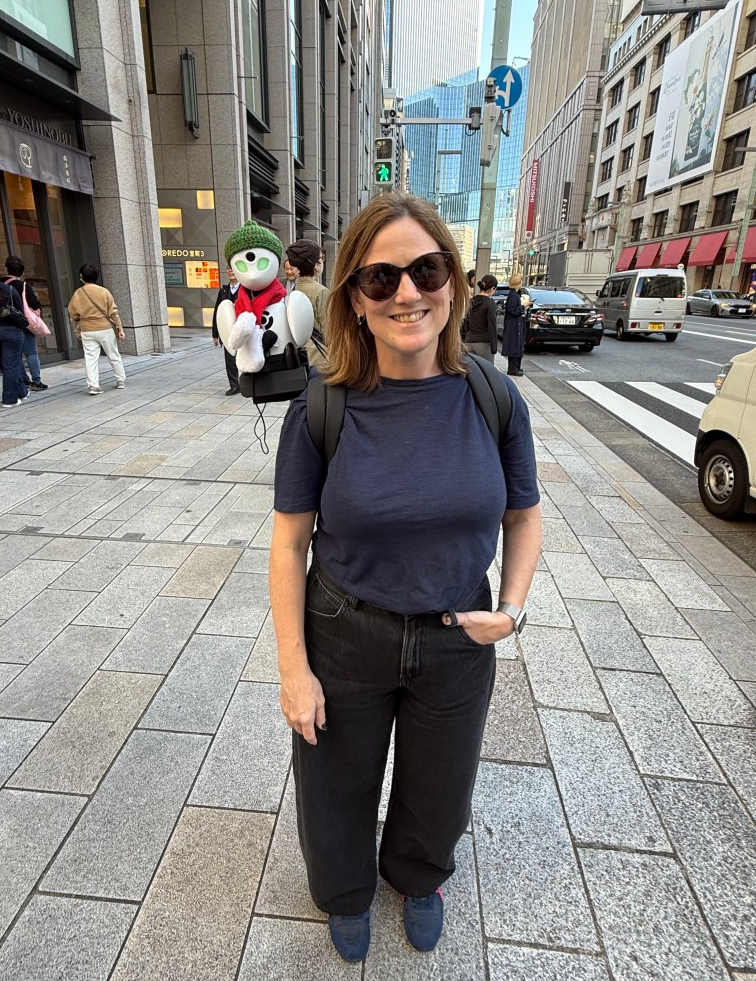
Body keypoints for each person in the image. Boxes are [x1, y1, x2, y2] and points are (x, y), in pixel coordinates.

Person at [271, 192, 541, 963]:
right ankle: (345, 891)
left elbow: (523, 515)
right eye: (380, 279)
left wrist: (513, 610)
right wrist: (294, 667)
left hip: (458, 634)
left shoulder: (493, 397)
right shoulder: (323, 406)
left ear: (452, 282)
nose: (406, 294)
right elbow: (289, 547)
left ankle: (419, 877)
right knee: (335, 780)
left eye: (424, 270)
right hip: (345, 629)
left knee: (440, 783)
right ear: (354, 298)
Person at [67, 264, 126, 394]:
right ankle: (120, 380)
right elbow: (113, 312)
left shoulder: (78, 293)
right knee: (113, 355)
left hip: (87, 329)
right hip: (105, 328)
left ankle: (93, 385)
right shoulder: (104, 292)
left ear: (81, 277)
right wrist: (120, 328)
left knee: (90, 358)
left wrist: (77, 329)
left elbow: (73, 315)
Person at [1, 256, 48, 391]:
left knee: (16, 355)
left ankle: (24, 380)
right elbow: (34, 304)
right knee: (31, 353)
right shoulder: (23, 286)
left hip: (5, 324)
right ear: (21, 272)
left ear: (6, 268)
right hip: (22, 323)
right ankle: (36, 381)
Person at [0, 255, 29, 408]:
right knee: (11, 364)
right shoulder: (7, 289)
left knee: (7, 365)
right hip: (11, 331)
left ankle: (22, 392)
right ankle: (9, 399)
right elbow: (19, 310)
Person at [284, 239, 329, 370]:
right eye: (320, 259)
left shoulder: (293, 290)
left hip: (300, 359)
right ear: (315, 265)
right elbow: (330, 333)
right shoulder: (321, 292)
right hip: (320, 359)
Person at [212, 266, 241, 395]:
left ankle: (249, 383)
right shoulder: (223, 291)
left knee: (246, 358)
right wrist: (215, 334)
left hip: (242, 330)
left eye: (233, 269)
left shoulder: (246, 289)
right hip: (227, 331)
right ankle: (235, 386)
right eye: (229, 269)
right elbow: (217, 313)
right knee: (230, 360)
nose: (231, 272)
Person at [463, 273, 498, 362]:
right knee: (487, 373)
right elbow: (492, 326)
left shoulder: (471, 301)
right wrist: (494, 347)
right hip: (484, 344)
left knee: (470, 372)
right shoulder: (490, 304)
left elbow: (466, 322)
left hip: (469, 341)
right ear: (492, 288)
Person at [502, 272, 530, 377]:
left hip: (516, 324)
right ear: (518, 282)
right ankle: (513, 369)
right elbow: (512, 310)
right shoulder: (513, 295)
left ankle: (516, 368)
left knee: (517, 346)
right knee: (515, 346)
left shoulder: (514, 294)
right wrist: (523, 306)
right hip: (514, 325)